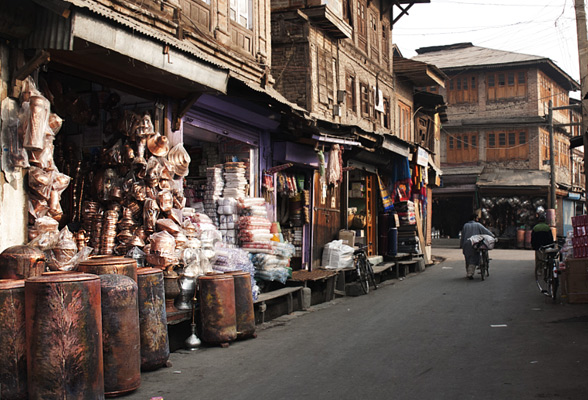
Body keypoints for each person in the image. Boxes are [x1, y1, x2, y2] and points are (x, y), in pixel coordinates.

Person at [460, 213, 493, 279]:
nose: (478, 219)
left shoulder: (465, 225)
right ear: (475, 219)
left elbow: (462, 236)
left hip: (466, 244)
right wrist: (492, 236)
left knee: (467, 258)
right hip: (474, 244)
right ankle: (470, 273)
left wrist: (461, 245)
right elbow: (486, 232)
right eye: (477, 218)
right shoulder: (478, 225)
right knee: (473, 258)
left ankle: (468, 272)